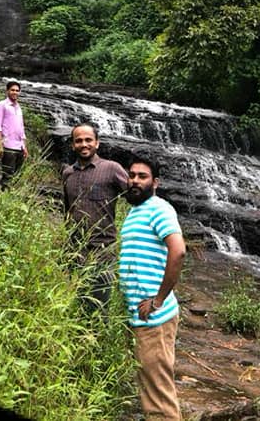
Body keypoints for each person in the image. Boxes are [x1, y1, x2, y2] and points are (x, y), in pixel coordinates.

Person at [118, 155, 186, 421]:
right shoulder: (136, 211)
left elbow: (178, 252)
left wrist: (158, 300)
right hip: (140, 317)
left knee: (159, 396)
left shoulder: (159, 208)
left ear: (155, 182)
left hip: (155, 318)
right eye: (132, 175)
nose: (135, 180)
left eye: (142, 176)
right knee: (150, 388)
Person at [61, 122, 129, 310]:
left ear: (97, 143)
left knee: (99, 306)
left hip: (103, 250)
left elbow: (135, 196)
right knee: (78, 302)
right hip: (75, 250)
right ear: (72, 145)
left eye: (88, 140)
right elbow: (67, 211)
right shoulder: (68, 173)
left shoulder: (112, 168)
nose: (84, 144)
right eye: (79, 141)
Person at [0, 80, 28, 191]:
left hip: (19, 146)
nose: (15, 92)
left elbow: (21, 128)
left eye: (17, 90)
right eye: (12, 90)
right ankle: (4, 195)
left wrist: (24, 146)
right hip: (8, 146)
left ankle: (11, 196)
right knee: (7, 175)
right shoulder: (1, 105)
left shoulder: (18, 107)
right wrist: (0, 145)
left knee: (17, 176)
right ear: (7, 91)